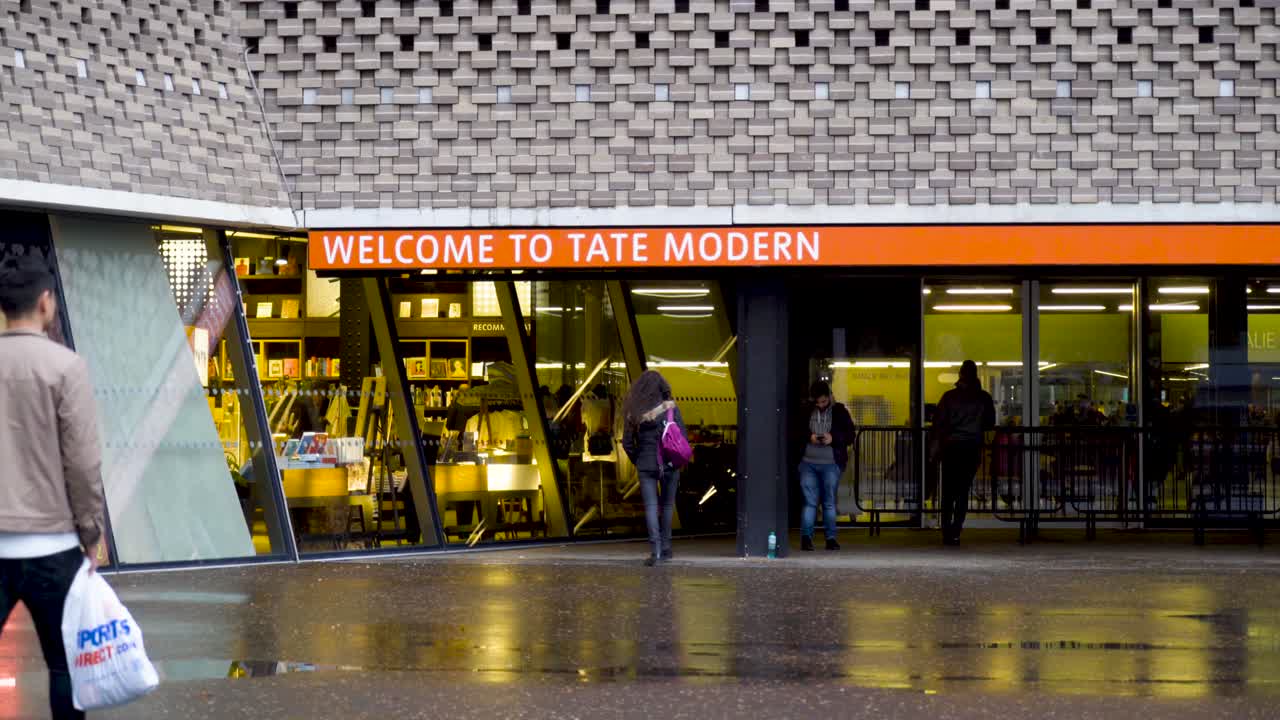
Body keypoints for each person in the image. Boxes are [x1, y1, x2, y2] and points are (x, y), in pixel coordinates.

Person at [0, 256, 107, 720]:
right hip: (55, 546)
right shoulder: (66, 367)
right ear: (46, 303)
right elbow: (82, 462)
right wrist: (91, 531)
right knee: (67, 668)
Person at [622, 370, 685, 566]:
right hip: (669, 462)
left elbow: (627, 443)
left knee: (650, 507)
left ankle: (655, 551)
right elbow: (682, 435)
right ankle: (666, 548)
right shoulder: (671, 409)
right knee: (667, 506)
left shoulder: (633, 412)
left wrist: (638, 460)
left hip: (646, 463)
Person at [932, 360, 995, 546]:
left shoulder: (949, 397)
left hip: (951, 448)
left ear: (960, 375)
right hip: (971, 447)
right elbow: (989, 423)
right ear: (975, 375)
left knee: (948, 492)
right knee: (962, 492)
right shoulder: (983, 398)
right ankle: (956, 530)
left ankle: (946, 531)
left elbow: (939, 423)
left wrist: (937, 445)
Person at [796, 381, 855, 551]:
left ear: (829, 397)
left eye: (823, 401)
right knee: (810, 502)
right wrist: (810, 437)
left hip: (831, 463)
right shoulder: (806, 410)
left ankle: (830, 539)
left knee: (828, 502)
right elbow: (796, 431)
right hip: (808, 463)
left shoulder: (840, 411)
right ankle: (806, 538)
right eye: (817, 402)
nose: (820, 405)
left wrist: (833, 438)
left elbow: (850, 434)